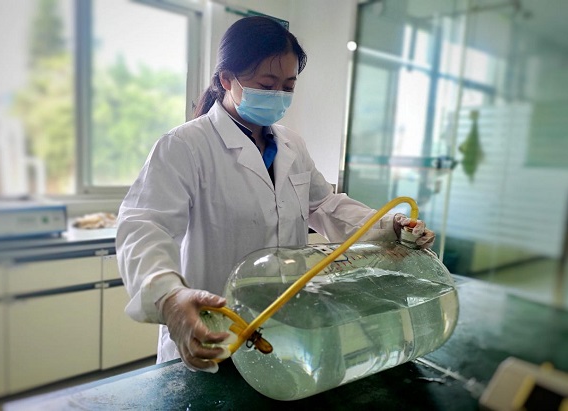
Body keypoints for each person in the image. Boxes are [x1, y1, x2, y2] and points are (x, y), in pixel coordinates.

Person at [116, 16, 435, 374]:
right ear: (227, 79)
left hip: (285, 328)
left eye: (288, 85)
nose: (279, 95)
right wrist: (169, 297)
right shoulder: (185, 145)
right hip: (215, 329)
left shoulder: (291, 144)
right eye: (267, 84)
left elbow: (323, 204)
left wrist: (387, 226)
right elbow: (145, 225)